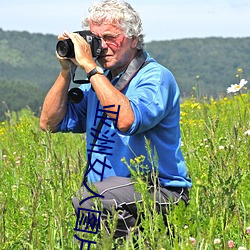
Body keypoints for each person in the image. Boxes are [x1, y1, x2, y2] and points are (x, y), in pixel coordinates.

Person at [40, 0, 192, 240]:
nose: (102, 47)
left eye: (111, 37)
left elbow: (127, 121)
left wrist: (90, 68)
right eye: (96, 39)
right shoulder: (102, 81)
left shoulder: (154, 77)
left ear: (133, 39)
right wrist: (66, 70)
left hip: (159, 191)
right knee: (86, 239)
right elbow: (49, 123)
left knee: (90, 200)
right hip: (105, 196)